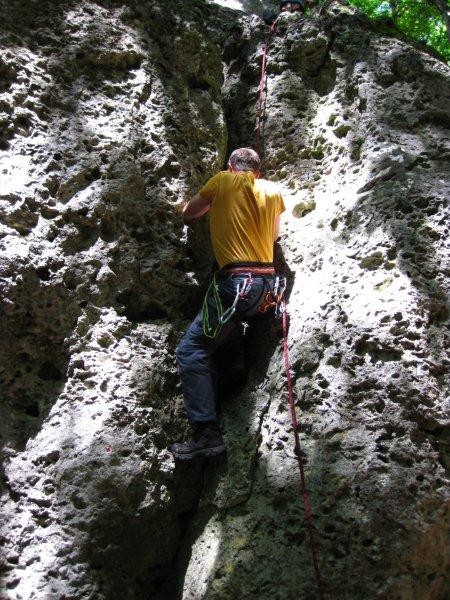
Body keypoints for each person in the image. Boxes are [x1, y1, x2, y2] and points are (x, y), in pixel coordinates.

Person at [170, 148, 286, 460]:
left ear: (231, 166)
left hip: (237, 284)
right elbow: (275, 236)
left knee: (191, 350)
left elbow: (191, 212)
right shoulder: (273, 191)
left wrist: (180, 204)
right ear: (257, 172)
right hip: (268, 289)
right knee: (227, 323)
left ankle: (207, 435)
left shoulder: (222, 180)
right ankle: (233, 368)